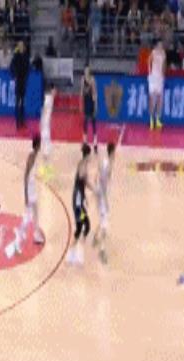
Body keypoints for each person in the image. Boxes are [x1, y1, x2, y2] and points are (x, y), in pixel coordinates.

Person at [9, 135, 45, 256]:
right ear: (37, 145)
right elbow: (25, 176)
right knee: (28, 216)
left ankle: (36, 234)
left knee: (36, 212)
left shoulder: (35, 155)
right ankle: (18, 240)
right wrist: (25, 195)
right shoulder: (31, 157)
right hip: (29, 190)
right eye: (40, 144)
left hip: (32, 188)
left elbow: (33, 173)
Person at [93, 126, 124, 264]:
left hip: (100, 195)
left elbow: (97, 177)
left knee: (102, 220)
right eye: (115, 152)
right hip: (102, 197)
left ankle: (95, 237)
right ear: (113, 152)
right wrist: (103, 199)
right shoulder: (108, 165)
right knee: (105, 226)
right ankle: (102, 250)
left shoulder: (105, 161)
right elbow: (103, 183)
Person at [67, 143, 94, 265]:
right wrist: (95, 189)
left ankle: (72, 255)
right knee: (85, 226)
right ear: (87, 155)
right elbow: (84, 181)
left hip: (79, 200)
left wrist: (85, 198)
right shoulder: (83, 166)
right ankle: (77, 254)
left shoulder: (82, 164)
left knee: (81, 228)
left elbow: (82, 184)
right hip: (77, 203)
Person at [10, 41, 30, 129]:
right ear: (18, 47)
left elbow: (28, 67)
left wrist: (26, 77)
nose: (21, 47)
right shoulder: (16, 56)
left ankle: (22, 121)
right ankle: (18, 122)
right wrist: (14, 76)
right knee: (17, 102)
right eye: (20, 46)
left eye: (22, 45)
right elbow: (11, 67)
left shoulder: (26, 56)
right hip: (18, 80)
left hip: (23, 81)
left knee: (23, 102)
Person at [148, 38, 166, 130]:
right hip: (153, 78)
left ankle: (158, 119)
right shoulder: (153, 52)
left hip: (160, 78)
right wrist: (150, 73)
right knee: (152, 99)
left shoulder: (163, 53)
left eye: (161, 44)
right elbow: (149, 62)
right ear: (156, 45)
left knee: (159, 100)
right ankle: (151, 120)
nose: (161, 46)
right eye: (159, 44)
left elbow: (164, 65)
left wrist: (163, 75)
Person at [39, 84, 56, 181]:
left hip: (46, 127)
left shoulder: (50, 99)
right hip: (45, 128)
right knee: (46, 151)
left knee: (47, 151)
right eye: (54, 90)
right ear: (51, 90)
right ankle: (45, 172)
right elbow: (43, 110)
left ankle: (46, 170)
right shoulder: (48, 99)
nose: (56, 92)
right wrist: (42, 124)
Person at [80, 66, 98, 153]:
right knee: (85, 121)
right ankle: (84, 142)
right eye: (85, 71)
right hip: (86, 102)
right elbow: (81, 92)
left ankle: (95, 143)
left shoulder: (92, 80)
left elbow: (95, 93)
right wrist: (80, 104)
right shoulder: (83, 79)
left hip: (91, 101)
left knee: (93, 122)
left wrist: (96, 105)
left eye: (87, 71)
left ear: (89, 72)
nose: (85, 72)